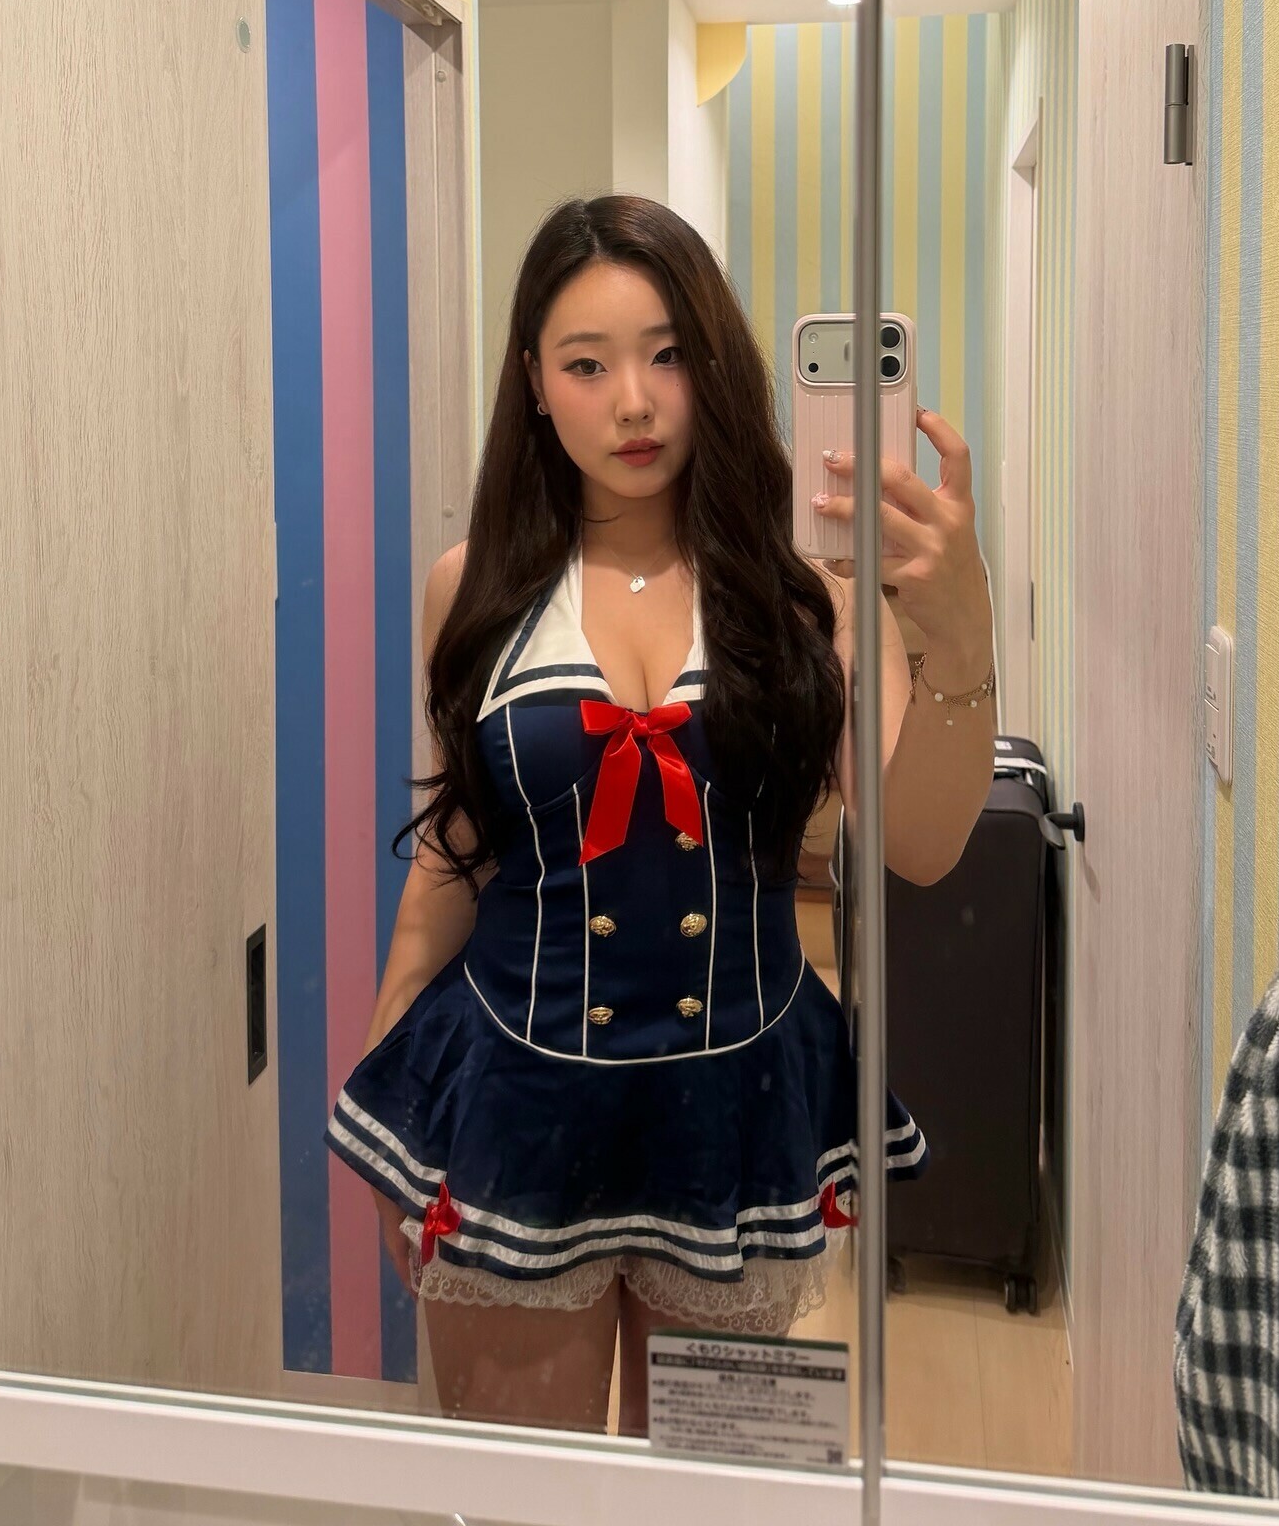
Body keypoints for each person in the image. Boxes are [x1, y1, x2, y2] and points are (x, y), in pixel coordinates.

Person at [325, 196, 996, 1433]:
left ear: (716, 364)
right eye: (587, 365)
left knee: (705, 1492)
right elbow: (455, 860)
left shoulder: (809, 596)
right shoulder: (470, 588)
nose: (633, 402)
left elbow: (921, 841)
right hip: (511, 1105)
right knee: (524, 1503)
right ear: (535, 384)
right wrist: (391, 1123)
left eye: (668, 353)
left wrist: (958, 635)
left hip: (734, 1113)